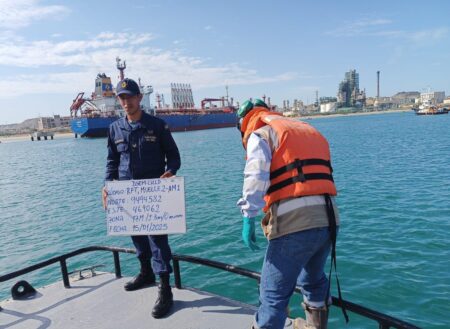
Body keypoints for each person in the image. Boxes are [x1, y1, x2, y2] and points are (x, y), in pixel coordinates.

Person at [236, 99, 346, 329]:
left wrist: (248, 216)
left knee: (272, 295)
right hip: (329, 220)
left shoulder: (261, 133)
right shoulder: (304, 129)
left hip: (295, 224)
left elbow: (256, 176)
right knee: (313, 280)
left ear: (244, 122)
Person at [102, 78, 181, 319]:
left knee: (158, 241)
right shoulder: (114, 129)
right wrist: (107, 186)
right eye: (122, 98)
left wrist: (170, 172)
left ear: (139, 98)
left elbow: (174, 157)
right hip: (127, 195)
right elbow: (112, 162)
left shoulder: (157, 126)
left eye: (130, 97)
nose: (126, 102)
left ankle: (165, 288)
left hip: (153, 195)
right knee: (137, 237)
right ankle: (145, 272)